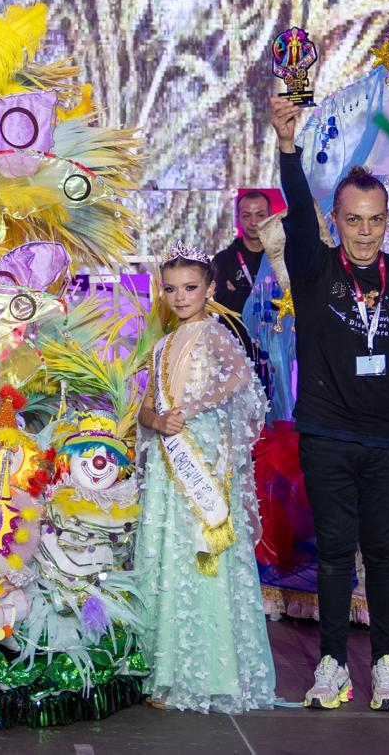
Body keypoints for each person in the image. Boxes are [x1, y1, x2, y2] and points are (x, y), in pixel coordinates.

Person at [269, 96, 389, 712]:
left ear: (388, 222)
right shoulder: (313, 270)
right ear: (335, 220)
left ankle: (387, 665)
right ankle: (332, 664)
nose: (364, 231)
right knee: (335, 554)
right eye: (353, 220)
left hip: (388, 440)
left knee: (382, 555)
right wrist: (288, 146)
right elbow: (297, 216)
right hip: (327, 435)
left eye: (375, 220)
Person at [133, 243, 274, 713]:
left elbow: (239, 382)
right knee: (169, 555)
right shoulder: (161, 345)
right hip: (169, 466)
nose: (180, 297)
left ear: (210, 289)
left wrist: (188, 411)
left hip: (204, 462)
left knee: (200, 552)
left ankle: (207, 671)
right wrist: (157, 421)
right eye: (171, 289)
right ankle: (166, 670)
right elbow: (146, 407)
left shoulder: (215, 335)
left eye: (190, 287)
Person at [212, 190, 271, 316]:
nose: (254, 222)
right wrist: (266, 299)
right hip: (235, 334)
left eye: (260, 215)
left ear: (270, 217)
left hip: (275, 333)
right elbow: (223, 302)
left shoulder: (283, 257)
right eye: (246, 215)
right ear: (237, 219)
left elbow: (289, 300)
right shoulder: (222, 260)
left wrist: (239, 295)